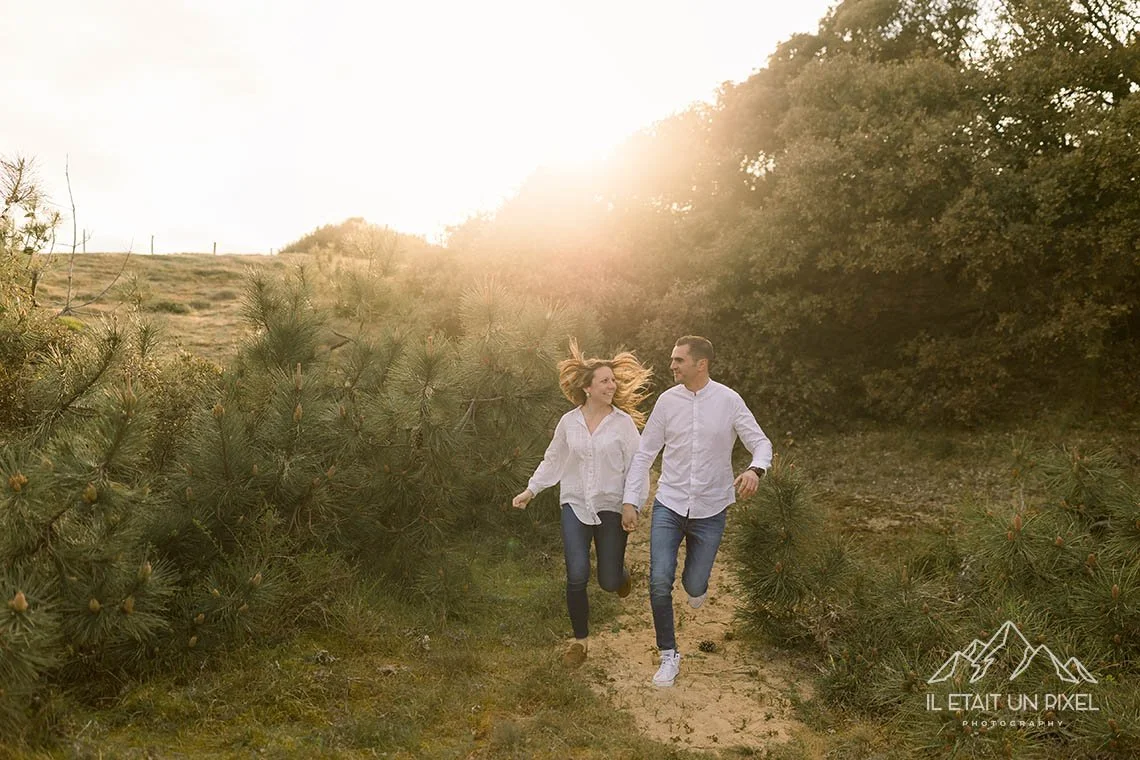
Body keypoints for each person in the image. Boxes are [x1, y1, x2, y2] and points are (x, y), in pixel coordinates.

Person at [621, 335, 772, 687]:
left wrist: (755, 470)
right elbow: (644, 454)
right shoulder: (667, 402)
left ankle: (696, 584)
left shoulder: (729, 400)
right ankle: (668, 655)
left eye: (679, 360)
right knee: (659, 580)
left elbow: (761, 442)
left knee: (694, 584)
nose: (672, 365)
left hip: (711, 508)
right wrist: (631, 500)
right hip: (669, 504)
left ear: (700, 364)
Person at [512, 340, 652, 668]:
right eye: (604, 380)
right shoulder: (568, 422)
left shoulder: (623, 424)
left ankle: (620, 576)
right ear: (588, 388)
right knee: (576, 574)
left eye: (613, 380)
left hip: (611, 505)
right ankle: (580, 642)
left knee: (607, 581)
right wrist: (531, 490)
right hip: (575, 503)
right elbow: (553, 459)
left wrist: (631, 504)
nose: (612, 385)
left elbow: (638, 465)